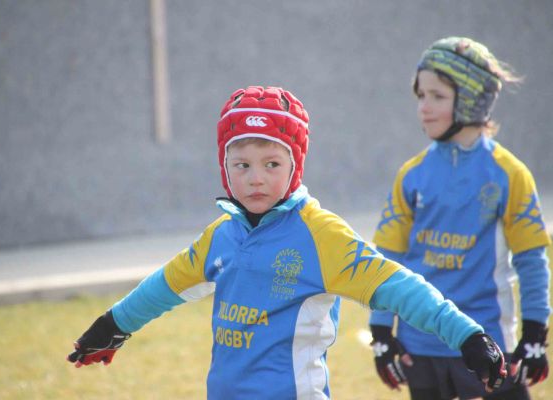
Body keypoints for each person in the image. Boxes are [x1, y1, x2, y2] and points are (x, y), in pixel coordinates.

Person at [67, 85, 507, 399]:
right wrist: (113, 326)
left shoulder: (321, 235)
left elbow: (401, 287)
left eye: (272, 163)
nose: (255, 177)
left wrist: (467, 335)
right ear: (224, 167)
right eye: (241, 164)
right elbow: (165, 285)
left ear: (296, 165)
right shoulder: (221, 236)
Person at [369, 37, 551, 400]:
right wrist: (381, 334)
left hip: (488, 343)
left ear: (472, 98)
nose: (423, 107)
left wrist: (534, 334)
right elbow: (388, 260)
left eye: (437, 96)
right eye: (421, 96)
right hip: (420, 347)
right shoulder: (412, 174)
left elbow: (531, 261)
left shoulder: (508, 174)